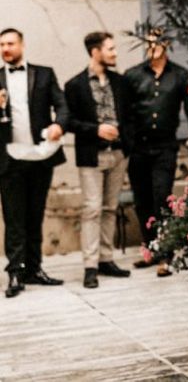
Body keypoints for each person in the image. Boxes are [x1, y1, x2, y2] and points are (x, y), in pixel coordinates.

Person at [124, 29, 188, 276]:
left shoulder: (180, 75)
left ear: (166, 44)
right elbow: (124, 114)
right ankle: (149, 250)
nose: (152, 46)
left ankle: (165, 255)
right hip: (138, 147)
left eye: (157, 42)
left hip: (165, 146)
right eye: (148, 42)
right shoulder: (132, 76)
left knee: (162, 197)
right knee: (142, 201)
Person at [0, 28, 70, 298]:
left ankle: (35, 268)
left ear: (22, 45)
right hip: (8, 158)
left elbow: (62, 106)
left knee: (35, 214)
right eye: (2, 45)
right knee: (14, 216)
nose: (6, 48)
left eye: (10, 43)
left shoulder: (44, 73)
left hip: (40, 155)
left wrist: (58, 125)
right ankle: (15, 272)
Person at [64, 32, 133, 288]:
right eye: (110, 49)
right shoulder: (74, 85)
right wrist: (96, 130)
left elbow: (130, 115)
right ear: (95, 52)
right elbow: (68, 120)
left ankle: (106, 259)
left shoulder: (121, 82)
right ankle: (90, 265)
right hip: (91, 156)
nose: (115, 53)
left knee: (109, 208)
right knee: (91, 209)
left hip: (118, 153)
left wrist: (127, 143)